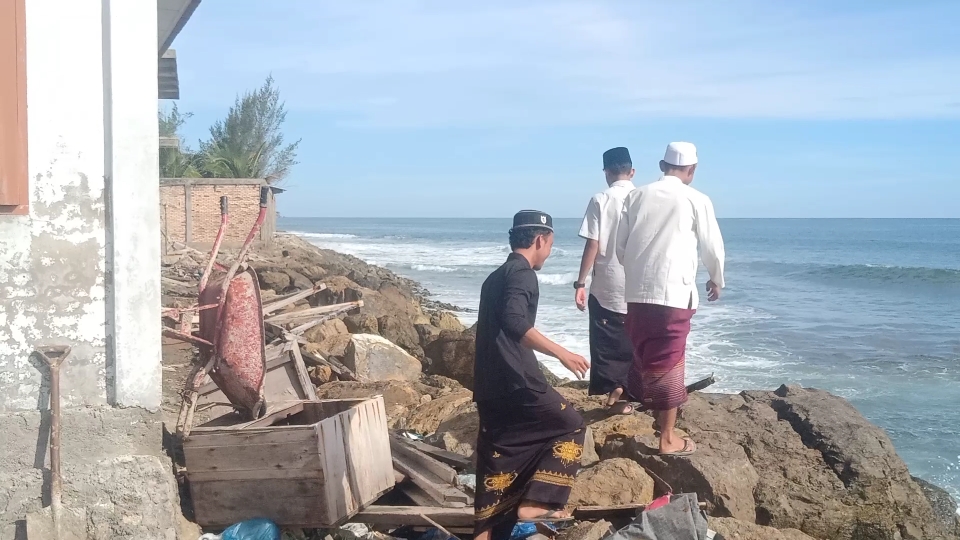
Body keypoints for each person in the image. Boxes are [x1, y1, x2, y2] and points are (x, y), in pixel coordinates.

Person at [473, 210, 591, 540]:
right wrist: (563, 353)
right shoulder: (524, 274)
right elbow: (514, 321)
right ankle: (539, 502)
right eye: (550, 245)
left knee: (498, 465)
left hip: (488, 385)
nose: (549, 252)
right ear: (540, 240)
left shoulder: (495, 276)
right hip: (518, 380)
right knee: (572, 425)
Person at [615, 142, 725, 457]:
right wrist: (717, 279)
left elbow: (621, 246)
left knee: (644, 351)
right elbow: (712, 247)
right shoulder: (696, 199)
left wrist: (638, 272)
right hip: (673, 294)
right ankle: (666, 439)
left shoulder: (636, 195)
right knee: (669, 362)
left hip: (637, 292)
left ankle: (636, 405)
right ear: (692, 170)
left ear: (663, 166)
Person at [575, 147, 637, 415]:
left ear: (606, 172)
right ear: (632, 171)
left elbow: (593, 242)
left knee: (607, 340)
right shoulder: (643, 198)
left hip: (608, 281)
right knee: (634, 338)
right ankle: (631, 391)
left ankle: (617, 396)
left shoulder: (601, 199)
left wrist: (580, 282)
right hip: (639, 282)